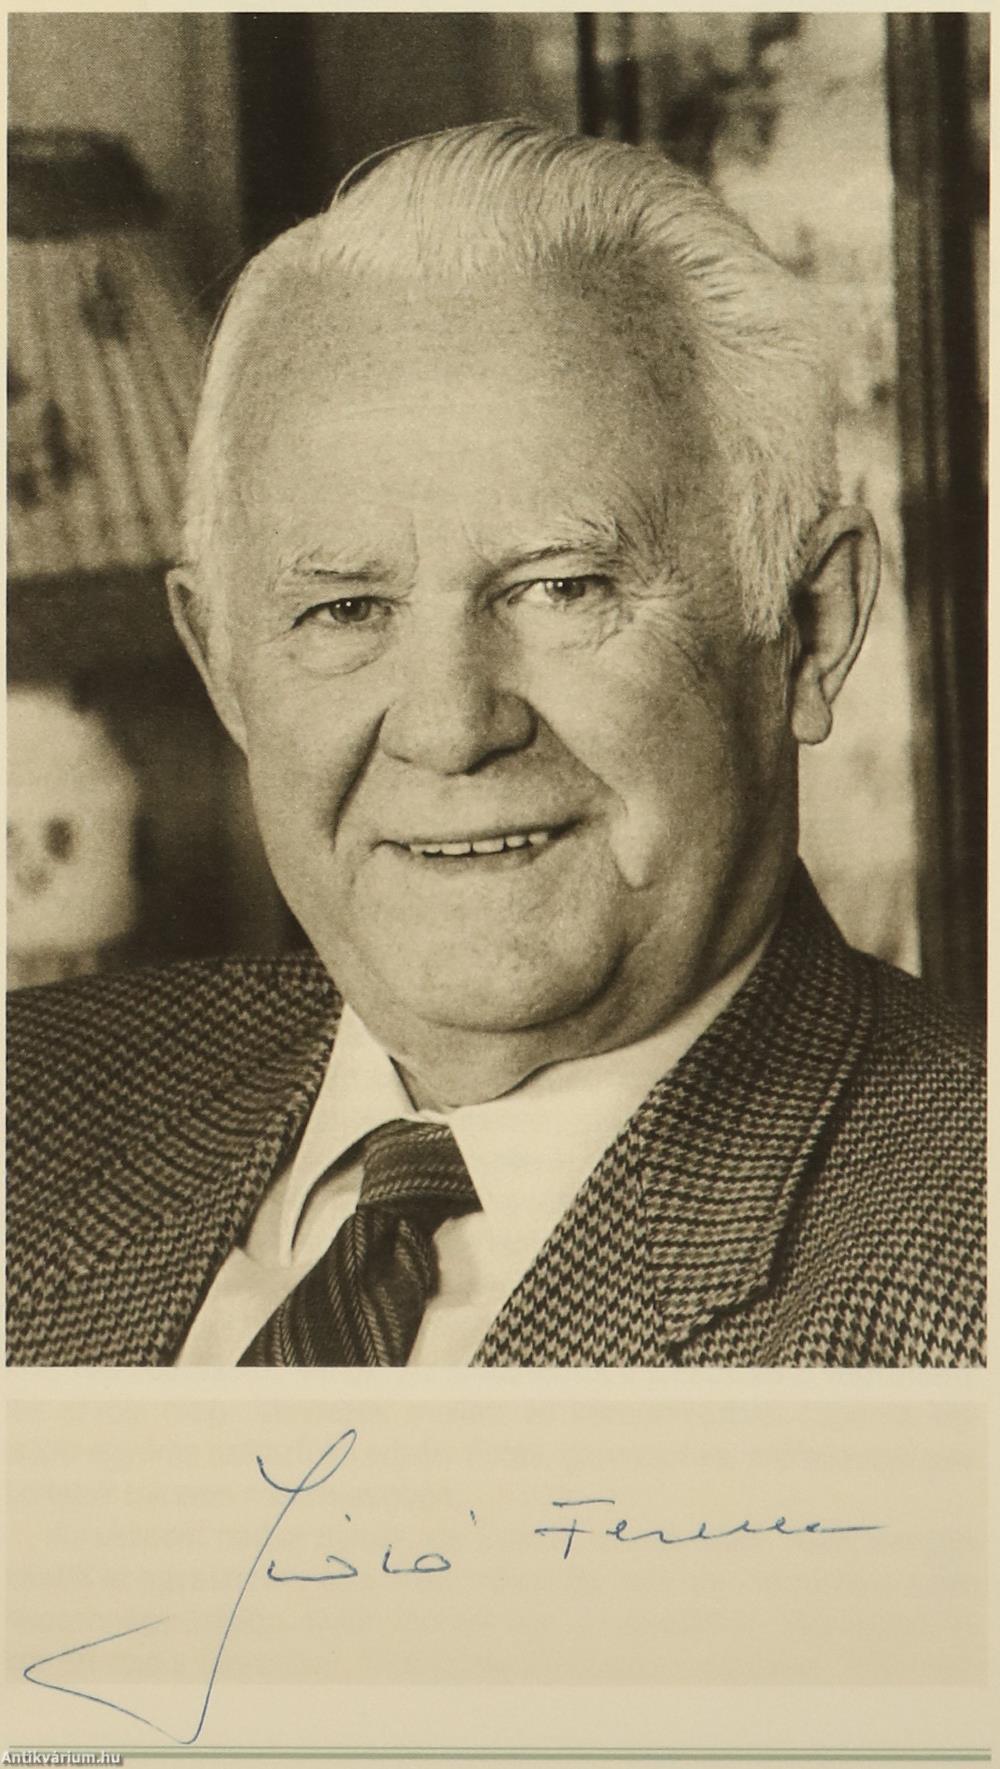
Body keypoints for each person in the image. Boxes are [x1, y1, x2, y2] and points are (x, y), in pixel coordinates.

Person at [7, 120, 984, 1368]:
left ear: (808, 626)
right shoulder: (32, 1107)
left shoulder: (961, 1272)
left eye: (562, 587)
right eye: (344, 609)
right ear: (222, 667)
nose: (450, 726)